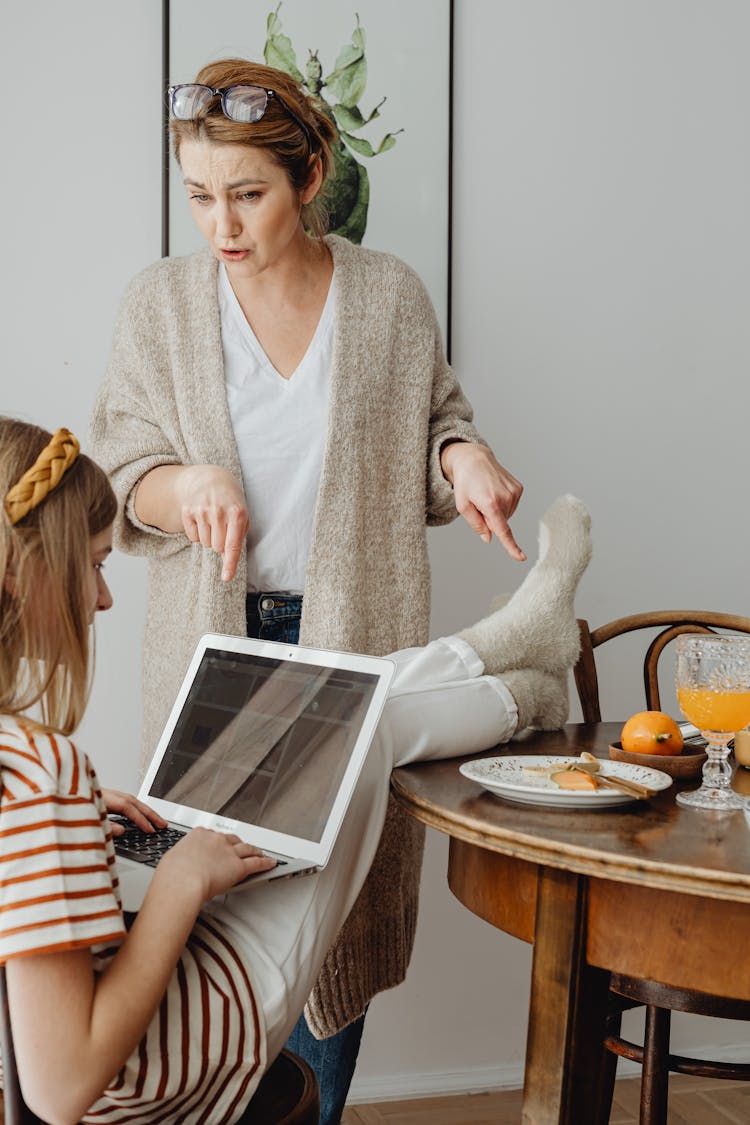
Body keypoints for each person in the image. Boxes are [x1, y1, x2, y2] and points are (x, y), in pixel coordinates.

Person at [89, 57, 527, 1120]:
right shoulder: (160, 306)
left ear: (310, 176)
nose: (221, 225)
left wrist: (463, 460)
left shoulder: (386, 298)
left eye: (247, 195)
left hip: (352, 646)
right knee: (208, 904)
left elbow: (435, 427)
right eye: (199, 196)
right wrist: (180, 483)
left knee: (330, 922)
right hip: (214, 660)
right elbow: (116, 476)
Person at [0, 418, 590, 1125]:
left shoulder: (25, 765)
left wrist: (82, 831)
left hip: (145, 1004)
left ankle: (523, 666)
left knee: (307, 709)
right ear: (22, 569)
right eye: (94, 563)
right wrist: (180, 882)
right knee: (354, 730)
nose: (103, 599)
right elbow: (61, 1088)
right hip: (169, 1061)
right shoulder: (42, 769)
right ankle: (526, 673)